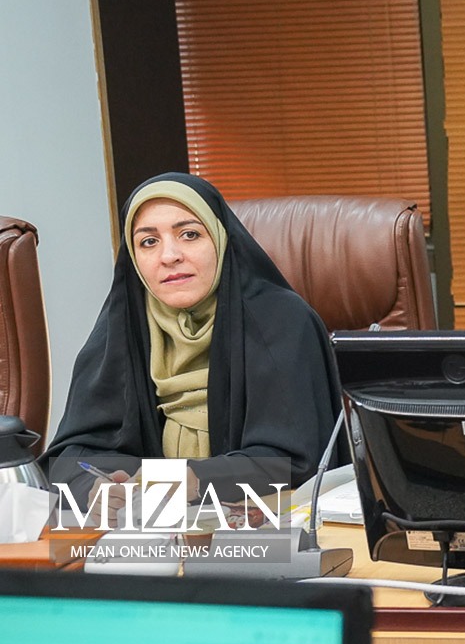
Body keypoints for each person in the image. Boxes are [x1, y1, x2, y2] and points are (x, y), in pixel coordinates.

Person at [44, 172, 342, 521]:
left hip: (267, 529)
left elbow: (299, 461)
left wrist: (197, 478)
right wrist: (95, 488)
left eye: (189, 235)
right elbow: (68, 457)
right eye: (148, 242)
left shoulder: (283, 321)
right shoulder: (122, 326)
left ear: (220, 238)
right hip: (151, 537)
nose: (169, 256)